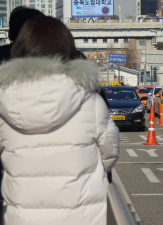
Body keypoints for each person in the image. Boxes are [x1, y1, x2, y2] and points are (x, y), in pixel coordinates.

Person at [0, 16, 119, 225]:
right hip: (83, 216)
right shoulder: (90, 101)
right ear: (67, 50)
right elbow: (109, 155)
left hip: (22, 217)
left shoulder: (4, 101)